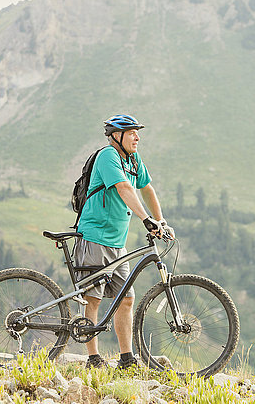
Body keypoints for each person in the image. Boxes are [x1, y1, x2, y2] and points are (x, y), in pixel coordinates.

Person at [75, 114, 174, 370]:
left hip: (118, 244)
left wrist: (160, 221)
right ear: (116, 136)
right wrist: (146, 219)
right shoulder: (108, 156)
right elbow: (123, 188)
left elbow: (147, 188)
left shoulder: (133, 159)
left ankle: (126, 358)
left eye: (137, 133)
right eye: (131, 133)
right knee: (92, 299)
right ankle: (93, 358)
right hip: (94, 237)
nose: (137, 137)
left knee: (126, 298)